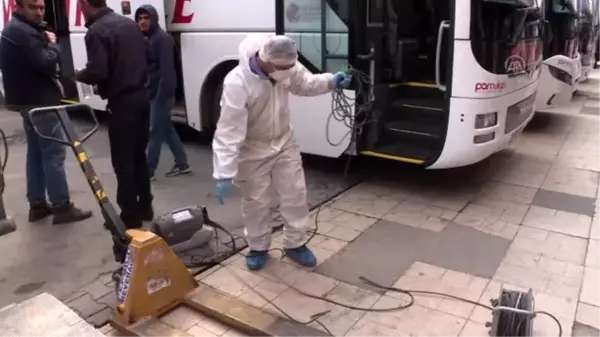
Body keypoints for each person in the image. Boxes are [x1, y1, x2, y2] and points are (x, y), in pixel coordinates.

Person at [212, 35, 352, 271]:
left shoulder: (286, 64)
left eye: (291, 67)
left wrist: (330, 81)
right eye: (284, 69)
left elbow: (305, 83)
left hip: (284, 142)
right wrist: (224, 171)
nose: (289, 72)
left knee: (295, 194)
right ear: (265, 61)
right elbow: (229, 130)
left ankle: (295, 243)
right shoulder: (238, 83)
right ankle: (257, 247)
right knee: (256, 202)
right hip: (252, 149)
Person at [0, 0, 93, 224]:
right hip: (41, 102)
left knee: (36, 152)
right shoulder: (24, 33)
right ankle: (62, 206)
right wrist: (52, 45)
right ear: (18, 7)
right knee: (54, 153)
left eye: (41, 7)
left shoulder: (13, 30)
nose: (39, 12)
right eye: (33, 7)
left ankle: (37, 204)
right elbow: (46, 63)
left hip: (26, 101)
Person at [74, 0, 153, 229]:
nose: (79, 9)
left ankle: (130, 215)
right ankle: (146, 206)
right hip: (142, 98)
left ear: (87, 4)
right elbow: (149, 54)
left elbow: (98, 70)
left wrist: (79, 75)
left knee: (123, 162)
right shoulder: (128, 24)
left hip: (122, 104)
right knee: (139, 155)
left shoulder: (96, 32)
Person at [135, 5, 191, 181]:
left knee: (155, 132)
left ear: (154, 19)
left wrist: (160, 96)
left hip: (162, 93)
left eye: (146, 18)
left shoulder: (162, 39)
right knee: (166, 128)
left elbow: (167, 71)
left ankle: (149, 169)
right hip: (153, 91)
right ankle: (182, 163)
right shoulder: (146, 38)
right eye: (140, 18)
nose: (143, 22)